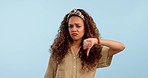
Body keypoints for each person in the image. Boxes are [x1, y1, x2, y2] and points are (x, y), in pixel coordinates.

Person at [44, 8, 125, 78]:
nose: (74, 29)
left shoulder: (94, 52)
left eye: (78, 26)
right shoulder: (58, 51)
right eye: (70, 26)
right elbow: (49, 76)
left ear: (85, 27)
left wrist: (97, 41)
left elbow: (120, 47)